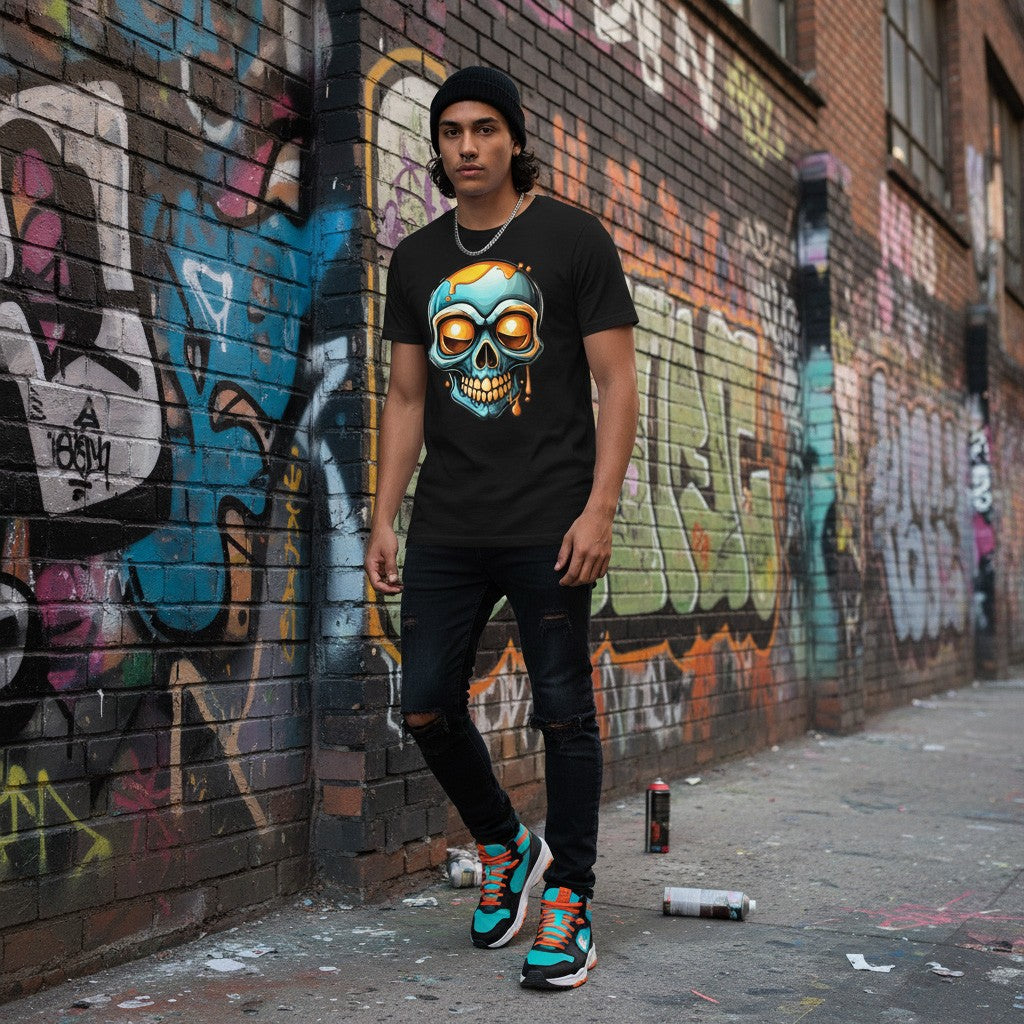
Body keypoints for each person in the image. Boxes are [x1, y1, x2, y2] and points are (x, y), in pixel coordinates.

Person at [364, 65, 638, 991]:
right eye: (451, 133)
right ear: (437, 149)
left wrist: (599, 509)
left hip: (550, 522)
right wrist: (385, 515)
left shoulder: (571, 239)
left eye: (485, 129)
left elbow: (617, 385)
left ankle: (571, 899)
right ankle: (503, 845)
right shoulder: (416, 258)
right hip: (448, 522)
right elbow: (405, 396)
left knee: (563, 712)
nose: (467, 146)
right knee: (426, 703)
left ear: (515, 139)